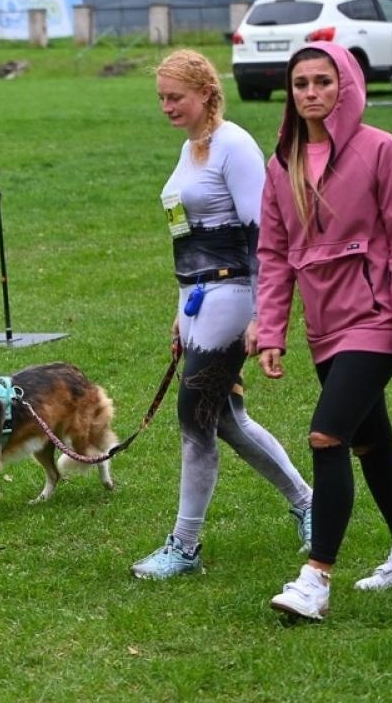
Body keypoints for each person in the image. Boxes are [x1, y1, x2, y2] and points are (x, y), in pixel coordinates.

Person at [256, 43, 392, 622]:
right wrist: (274, 329)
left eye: (323, 82)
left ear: (345, 85)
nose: (311, 93)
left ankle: (316, 578)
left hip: (376, 320)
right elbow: (275, 253)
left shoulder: (381, 150)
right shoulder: (281, 161)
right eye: (301, 83)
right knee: (371, 444)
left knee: (327, 438)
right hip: (323, 327)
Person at [131, 50, 314, 580]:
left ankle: (184, 547)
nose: (166, 106)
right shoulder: (192, 149)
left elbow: (265, 237)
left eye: (175, 97)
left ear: (206, 94)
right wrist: (178, 314)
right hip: (196, 303)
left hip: (232, 300)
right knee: (227, 421)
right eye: (161, 97)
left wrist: (266, 314)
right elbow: (186, 240)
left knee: (194, 420)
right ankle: (308, 503)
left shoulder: (233, 145)